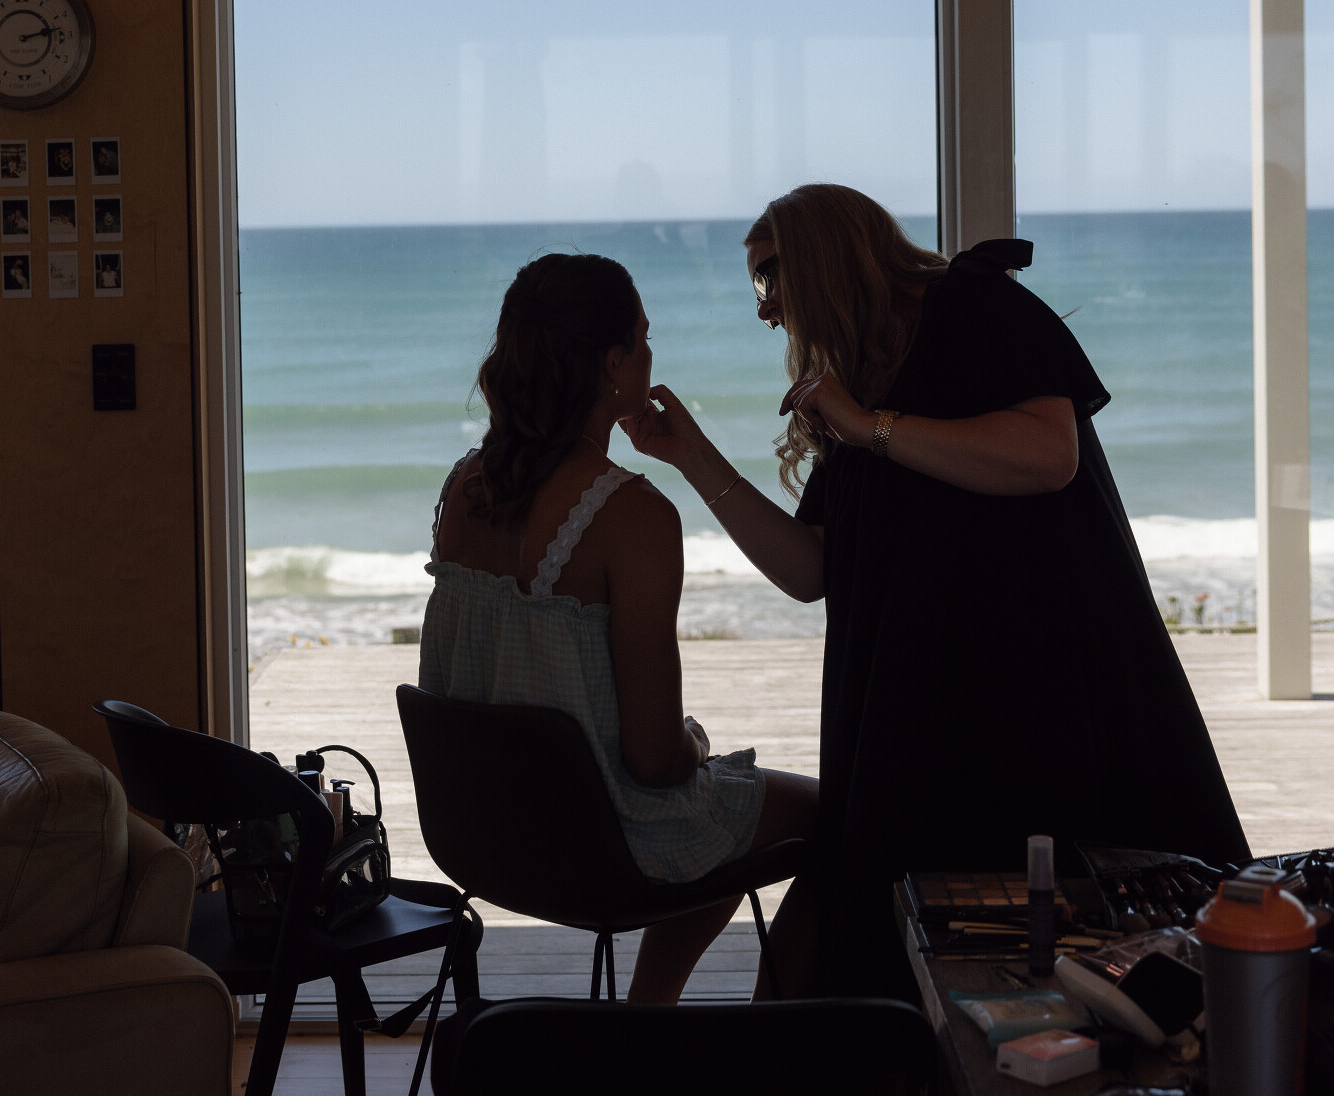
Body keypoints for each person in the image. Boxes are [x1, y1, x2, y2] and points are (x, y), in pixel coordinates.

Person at [622, 184, 1249, 1000]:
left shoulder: (974, 305)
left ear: (824, 257)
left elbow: (1048, 453)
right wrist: (692, 456)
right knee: (876, 911)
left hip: (1037, 687)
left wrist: (869, 428)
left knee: (1069, 931)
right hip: (915, 699)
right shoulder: (857, 378)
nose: (766, 308)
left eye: (770, 276)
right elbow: (810, 570)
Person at [418, 252, 818, 1002]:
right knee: (827, 817)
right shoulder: (631, 516)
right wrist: (694, 746)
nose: (650, 353)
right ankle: (705, 1029)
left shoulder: (463, 487)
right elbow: (654, 761)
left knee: (719, 802)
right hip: (601, 841)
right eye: (644, 337)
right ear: (613, 362)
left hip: (486, 833)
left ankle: (646, 1026)